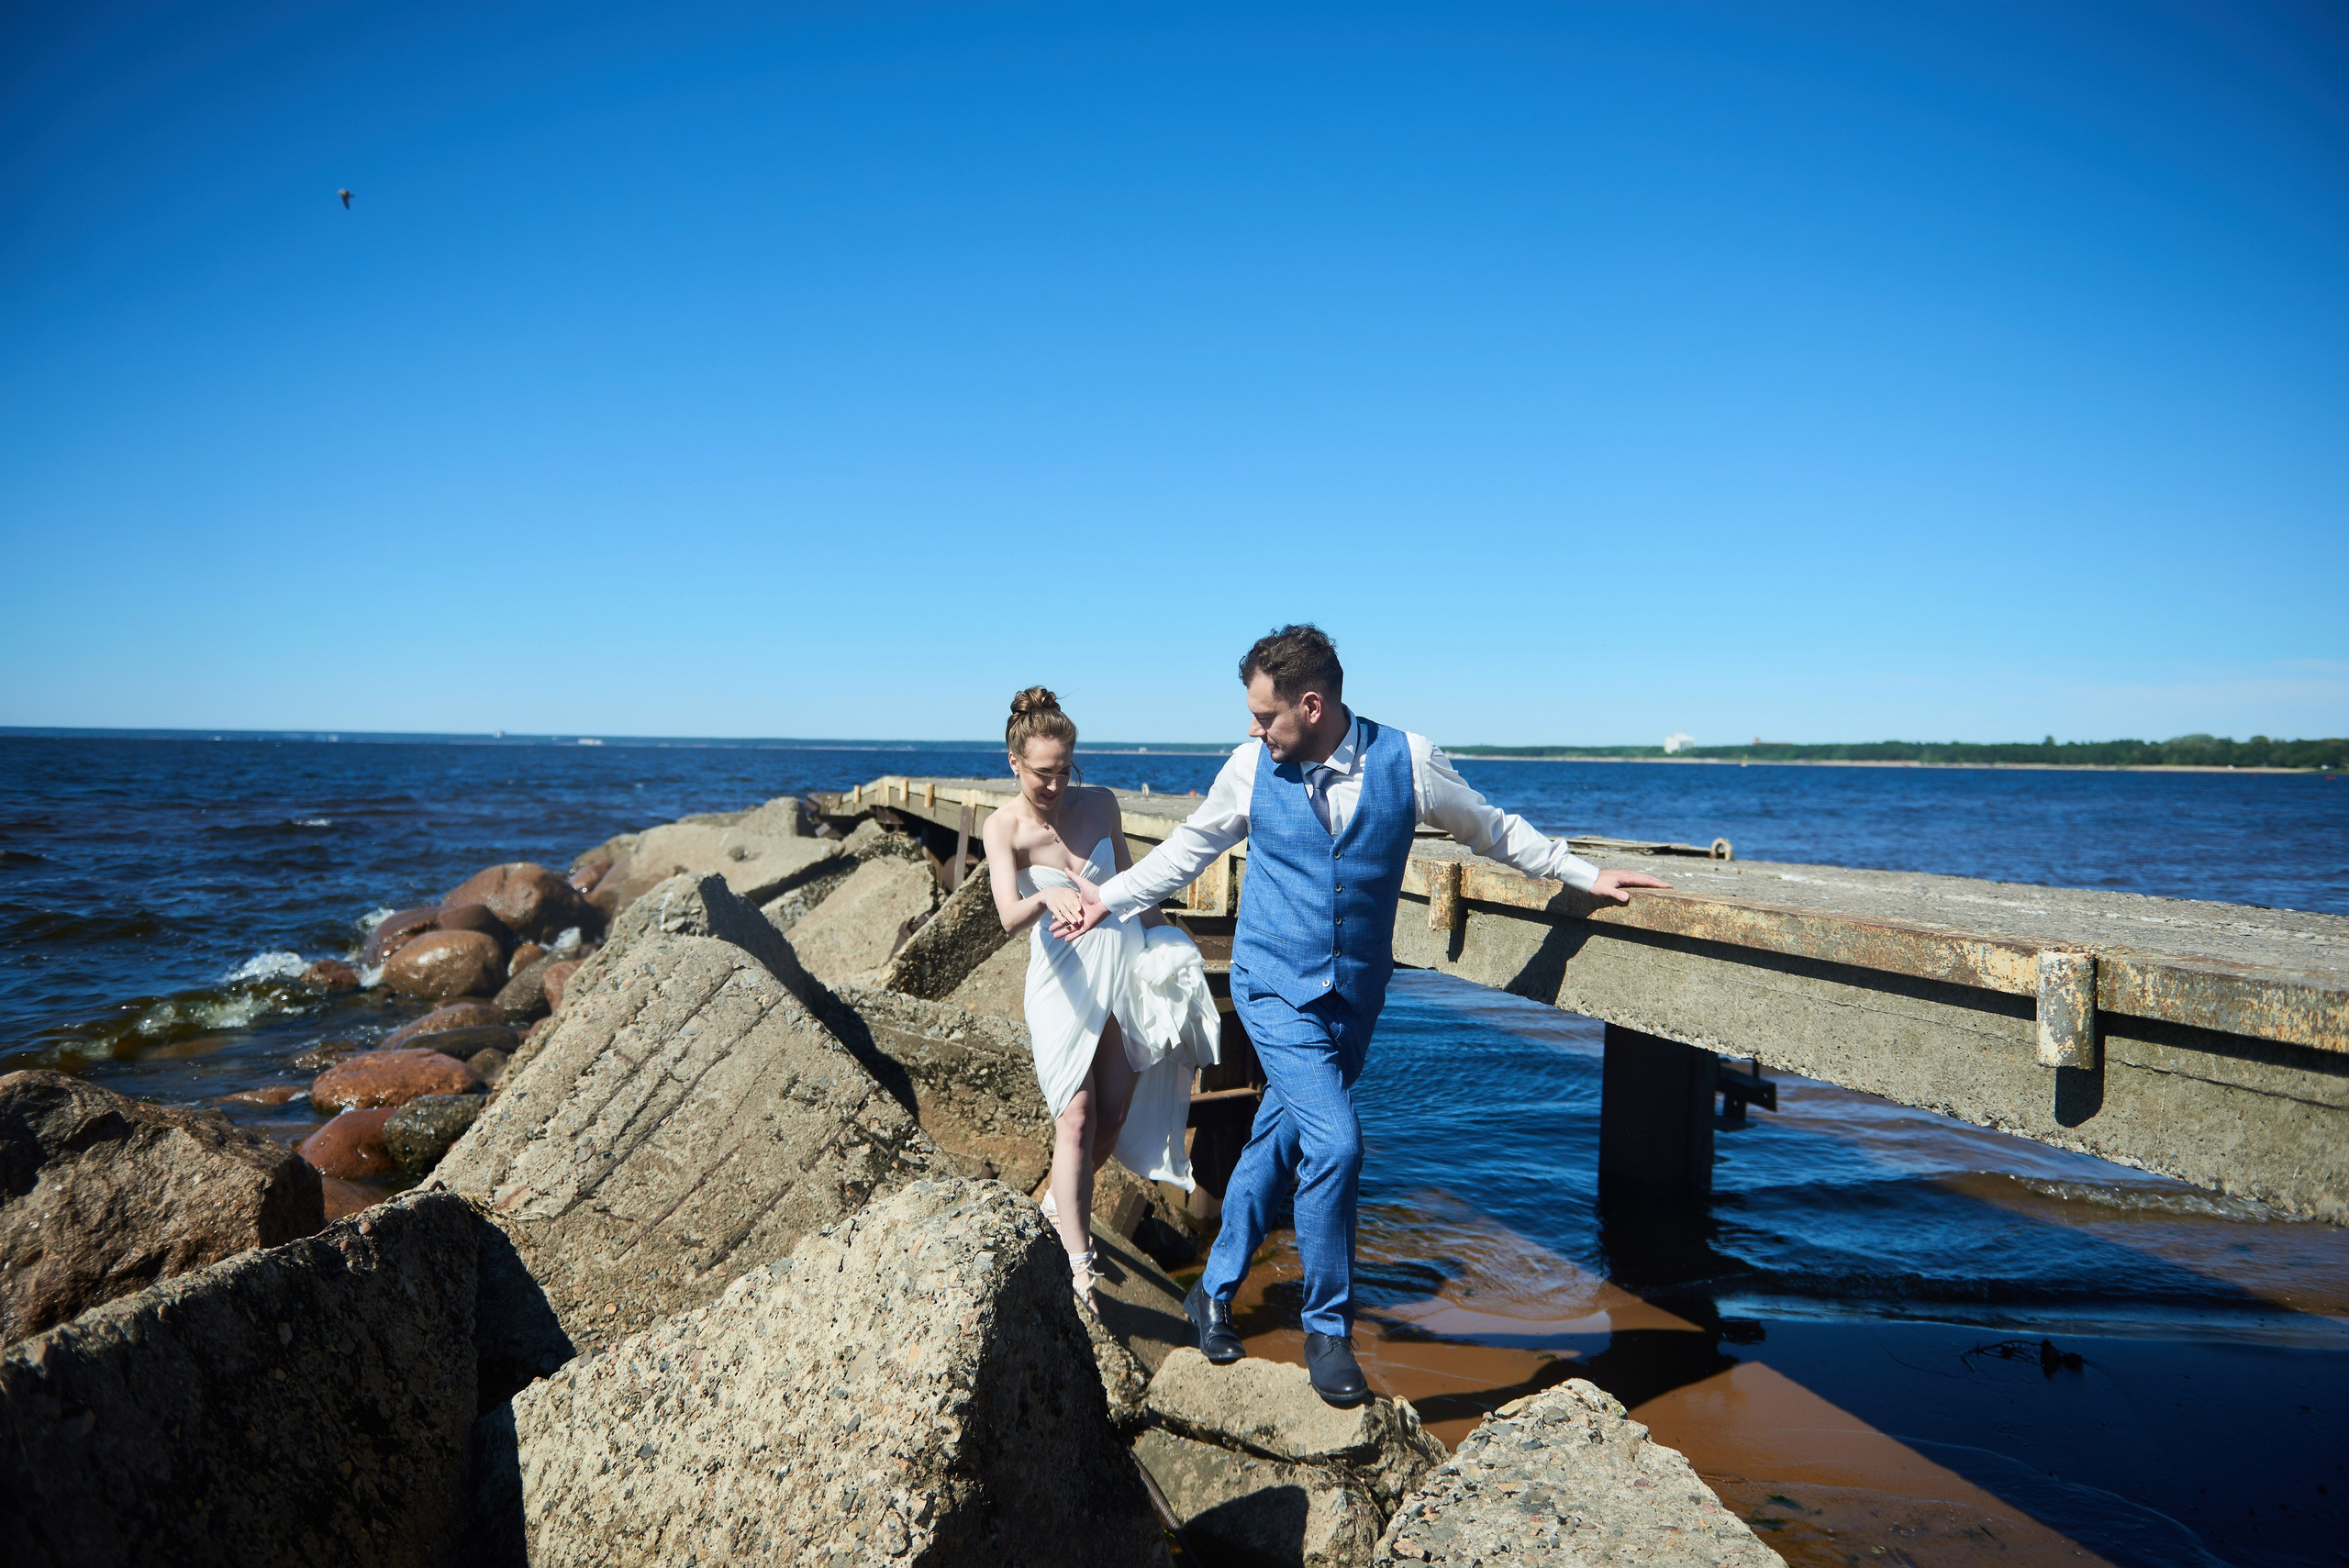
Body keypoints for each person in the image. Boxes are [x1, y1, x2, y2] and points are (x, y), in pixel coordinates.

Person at [1055, 626, 1672, 1405]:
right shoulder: (1251, 768)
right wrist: (1103, 901)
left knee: (1281, 1140)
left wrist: (1583, 871)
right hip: (1272, 984)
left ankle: (1211, 1290)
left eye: (1264, 714)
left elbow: (1492, 828)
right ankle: (1329, 1329)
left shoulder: (1407, 760)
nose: (1253, 729)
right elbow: (1187, 850)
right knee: (1338, 1143)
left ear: (1312, 706)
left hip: (1354, 997)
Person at [982, 687, 1219, 1317]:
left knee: (1114, 1108)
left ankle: (1063, 1202)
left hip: (1123, 971)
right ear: (1014, 762)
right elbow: (1007, 914)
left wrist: (1171, 936)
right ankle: (1078, 1261)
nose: (1056, 783)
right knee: (1078, 1116)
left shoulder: (1102, 803)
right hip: (1064, 984)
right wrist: (1044, 898)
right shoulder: (1002, 826)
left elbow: (1135, 884)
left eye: (1065, 769)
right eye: (1042, 773)